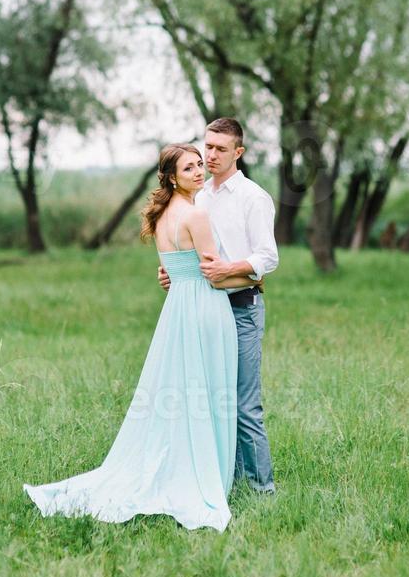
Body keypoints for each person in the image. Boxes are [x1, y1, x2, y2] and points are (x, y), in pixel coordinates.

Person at [23, 143, 257, 532]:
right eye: (189, 168)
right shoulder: (196, 215)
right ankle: (203, 475)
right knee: (207, 390)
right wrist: (253, 276)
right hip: (205, 308)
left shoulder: (163, 215)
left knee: (182, 392)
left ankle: (185, 463)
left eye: (200, 165)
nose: (199, 171)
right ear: (170, 177)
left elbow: (177, 271)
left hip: (178, 309)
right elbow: (215, 275)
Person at [158, 118, 278, 494]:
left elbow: (268, 257)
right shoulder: (198, 195)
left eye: (220, 149)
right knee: (211, 403)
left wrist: (235, 269)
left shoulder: (253, 198)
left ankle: (261, 489)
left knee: (244, 406)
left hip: (241, 309)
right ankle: (224, 481)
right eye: (207, 146)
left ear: (238, 153)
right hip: (204, 312)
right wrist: (174, 275)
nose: (210, 155)